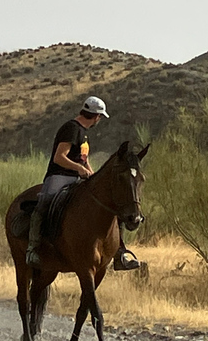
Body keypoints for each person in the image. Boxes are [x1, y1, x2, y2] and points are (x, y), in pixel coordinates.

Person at [25, 96, 140, 271]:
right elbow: (59, 157)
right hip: (60, 175)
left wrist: (92, 175)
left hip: (78, 177)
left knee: (113, 205)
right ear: (95, 116)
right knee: (45, 202)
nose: (99, 120)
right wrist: (79, 169)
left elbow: (83, 160)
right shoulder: (71, 129)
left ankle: (119, 253)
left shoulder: (84, 133)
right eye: (100, 117)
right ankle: (33, 249)